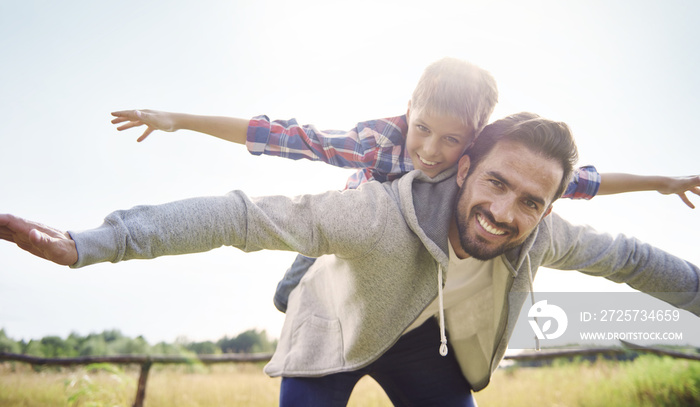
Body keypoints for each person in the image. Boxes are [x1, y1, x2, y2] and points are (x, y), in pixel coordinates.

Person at [2, 113, 698, 406]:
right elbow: (241, 215)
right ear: (462, 170)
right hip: (336, 330)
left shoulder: (544, 231)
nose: (507, 212)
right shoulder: (374, 208)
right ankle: (298, 283)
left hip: (432, 345)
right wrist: (92, 243)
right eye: (495, 183)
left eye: (531, 200)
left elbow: (633, 259)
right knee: (312, 283)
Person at [110, 59, 700, 314]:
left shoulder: (486, 159)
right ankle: (301, 307)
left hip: (421, 244)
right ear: (408, 109)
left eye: (452, 141)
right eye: (423, 131)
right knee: (299, 281)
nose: (432, 151)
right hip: (351, 223)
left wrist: (661, 181)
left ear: (472, 140)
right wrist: (178, 119)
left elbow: (584, 181)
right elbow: (282, 135)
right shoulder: (373, 145)